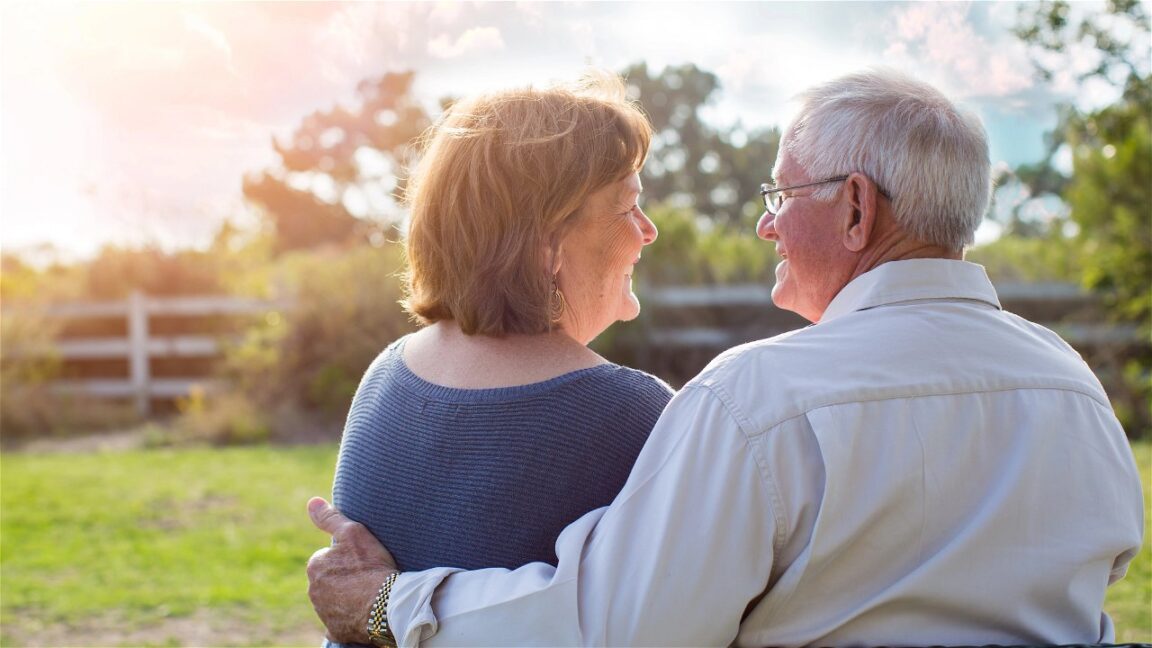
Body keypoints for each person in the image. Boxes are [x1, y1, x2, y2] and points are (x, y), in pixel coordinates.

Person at [306, 68, 1145, 646]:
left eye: (781, 195)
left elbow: (619, 628)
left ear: (857, 209)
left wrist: (386, 605)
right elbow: (1106, 569)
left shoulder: (758, 400)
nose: (765, 226)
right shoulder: (1073, 385)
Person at [311, 72, 674, 647]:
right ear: (548, 244)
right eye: (627, 206)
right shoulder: (632, 413)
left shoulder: (387, 373)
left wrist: (384, 605)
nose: (647, 231)